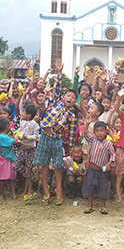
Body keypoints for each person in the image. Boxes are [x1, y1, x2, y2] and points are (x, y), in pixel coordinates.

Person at [33, 59, 77, 205]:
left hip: (57, 140)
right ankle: (45, 189)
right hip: (45, 137)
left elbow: (71, 132)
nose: (70, 98)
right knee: (44, 164)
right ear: (64, 97)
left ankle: (58, 190)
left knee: (57, 166)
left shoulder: (71, 115)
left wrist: (70, 147)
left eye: (73, 97)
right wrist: (59, 72)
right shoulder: (57, 101)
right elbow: (57, 87)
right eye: (68, 96)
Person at [82, 120, 116, 214]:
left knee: (103, 187)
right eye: (97, 131)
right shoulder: (92, 140)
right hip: (92, 168)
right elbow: (85, 134)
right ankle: (90, 205)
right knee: (90, 186)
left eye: (101, 131)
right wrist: (87, 124)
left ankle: (103, 206)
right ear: (94, 132)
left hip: (102, 170)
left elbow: (113, 155)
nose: (99, 133)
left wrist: (108, 164)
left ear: (106, 132)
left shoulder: (108, 144)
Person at [14, 102, 40, 201]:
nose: (21, 113)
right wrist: (16, 135)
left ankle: (30, 190)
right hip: (22, 148)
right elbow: (20, 129)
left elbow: (36, 136)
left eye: (23, 111)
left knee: (29, 172)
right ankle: (29, 171)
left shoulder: (35, 125)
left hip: (30, 149)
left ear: (29, 115)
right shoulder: (22, 121)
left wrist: (27, 137)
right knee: (15, 165)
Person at [0, 117, 17, 200]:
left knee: (11, 177)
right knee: (3, 178)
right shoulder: (3, 137)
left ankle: (12, 193)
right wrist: (16, 134)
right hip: (6, 159)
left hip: (9, 158)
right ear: (7, 126)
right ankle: (3, 193)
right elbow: (14, 141)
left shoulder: (2, 136)